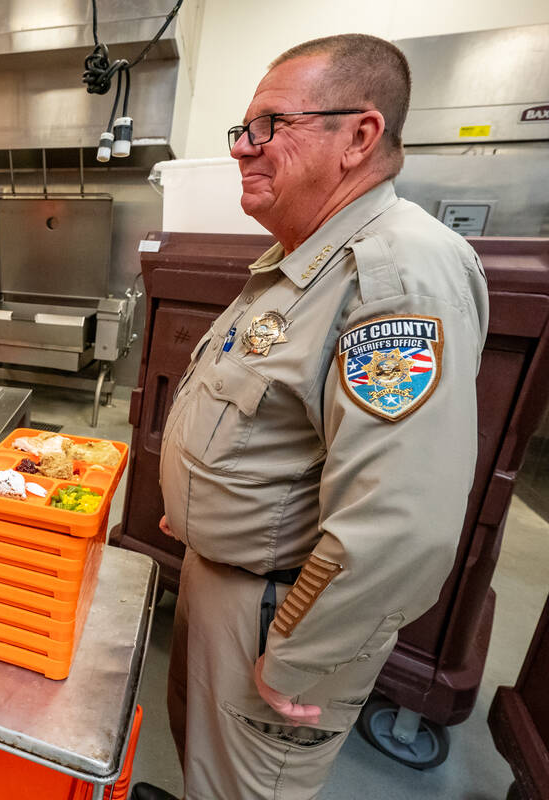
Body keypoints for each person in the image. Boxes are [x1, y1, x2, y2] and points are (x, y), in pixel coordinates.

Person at [134, 34, 488, 800]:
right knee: (202, 757)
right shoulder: (300, 259)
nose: (242, 150)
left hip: (276, 606)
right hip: (225, 578)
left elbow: (400, 520)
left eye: (270, 126)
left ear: (359, 136)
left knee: (244, 785)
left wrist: (301, 653)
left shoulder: (398, 275)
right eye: (243, 129)